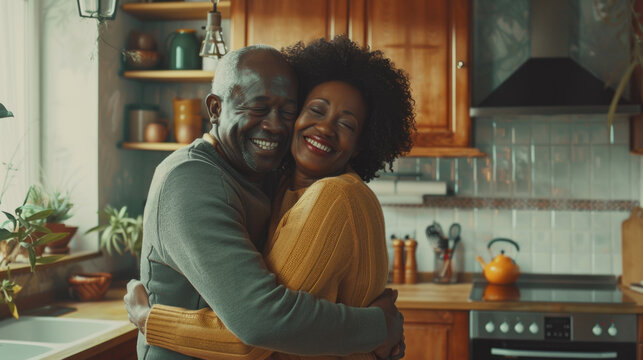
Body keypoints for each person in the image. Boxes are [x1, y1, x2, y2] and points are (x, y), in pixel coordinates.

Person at [127, 36, 415, 360]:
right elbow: (261, 322)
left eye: (287, 111)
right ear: (215, 108)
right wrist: (377, 327)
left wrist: (149, 319)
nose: (275, 125)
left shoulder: (306, 188)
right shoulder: (190, 179)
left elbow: (264, 324)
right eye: (258, 108)